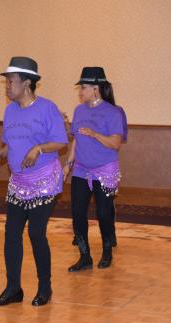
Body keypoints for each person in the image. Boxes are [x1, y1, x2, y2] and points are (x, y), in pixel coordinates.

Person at [0, 57, 68, 306]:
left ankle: (45, 288)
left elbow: (61, 142)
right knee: (11, 234)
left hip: (44, 180)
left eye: (11, 82)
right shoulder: (10, 110)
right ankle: (13, 289)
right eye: (6, 82)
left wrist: (39, 149)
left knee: (35, 233)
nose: (7, 87)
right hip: (18, 182)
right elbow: (11, 142)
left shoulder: (47, 108)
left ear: (27, 83)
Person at [63, 67, 124, 272]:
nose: (80, 91)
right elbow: (76, 142)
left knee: (104, 213)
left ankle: (107, 251)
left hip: (105, 170)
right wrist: (68, 165)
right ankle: (84, 256)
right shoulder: (79, 110)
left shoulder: (113, 112)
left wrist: (95, 134)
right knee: (77, 213)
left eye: (83, 87)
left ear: (96, 89)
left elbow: (115, 144)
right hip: (81, 169)